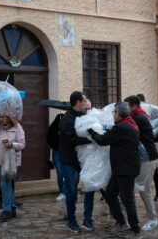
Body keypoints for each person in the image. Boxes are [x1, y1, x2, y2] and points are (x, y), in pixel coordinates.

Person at [88, 102, 141, 236]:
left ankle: (135, 228)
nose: (113, 115)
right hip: (122, 168)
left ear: (118, 114)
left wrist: (91, 131)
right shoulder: (129, 124)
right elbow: (112, 134)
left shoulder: (122, 127)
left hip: (125, 169)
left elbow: (102, 140)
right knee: (110, 194)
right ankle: (121, 220)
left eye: (114, 113)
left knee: (127, 198)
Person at [59, 91, 94, 232]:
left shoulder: (84, 116)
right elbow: (73, 139)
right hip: (68, 159)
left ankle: (87, 219)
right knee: (71, 190)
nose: (86, 103)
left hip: (82, 159)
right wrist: (89, 139)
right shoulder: (66, 120)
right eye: (84, 101)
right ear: (78, 103)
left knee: (89, 187)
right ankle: (72, 220)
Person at [124, 95, 158, 231]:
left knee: (144, 190)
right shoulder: (138, 116)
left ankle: (153, 219)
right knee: (135, 188)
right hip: (141, 158)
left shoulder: (138, 118)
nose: (125, 109)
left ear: (133, 106)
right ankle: (134, 219)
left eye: (126, 105)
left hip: (147, 158)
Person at [47, 113, 65, 201]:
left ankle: (66, 191)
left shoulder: (67, 128)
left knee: (66, 173)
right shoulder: (52, 128)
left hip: (66, 153)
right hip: (57, 152)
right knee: (60, 173)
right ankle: (62, 192)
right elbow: (49, 141)